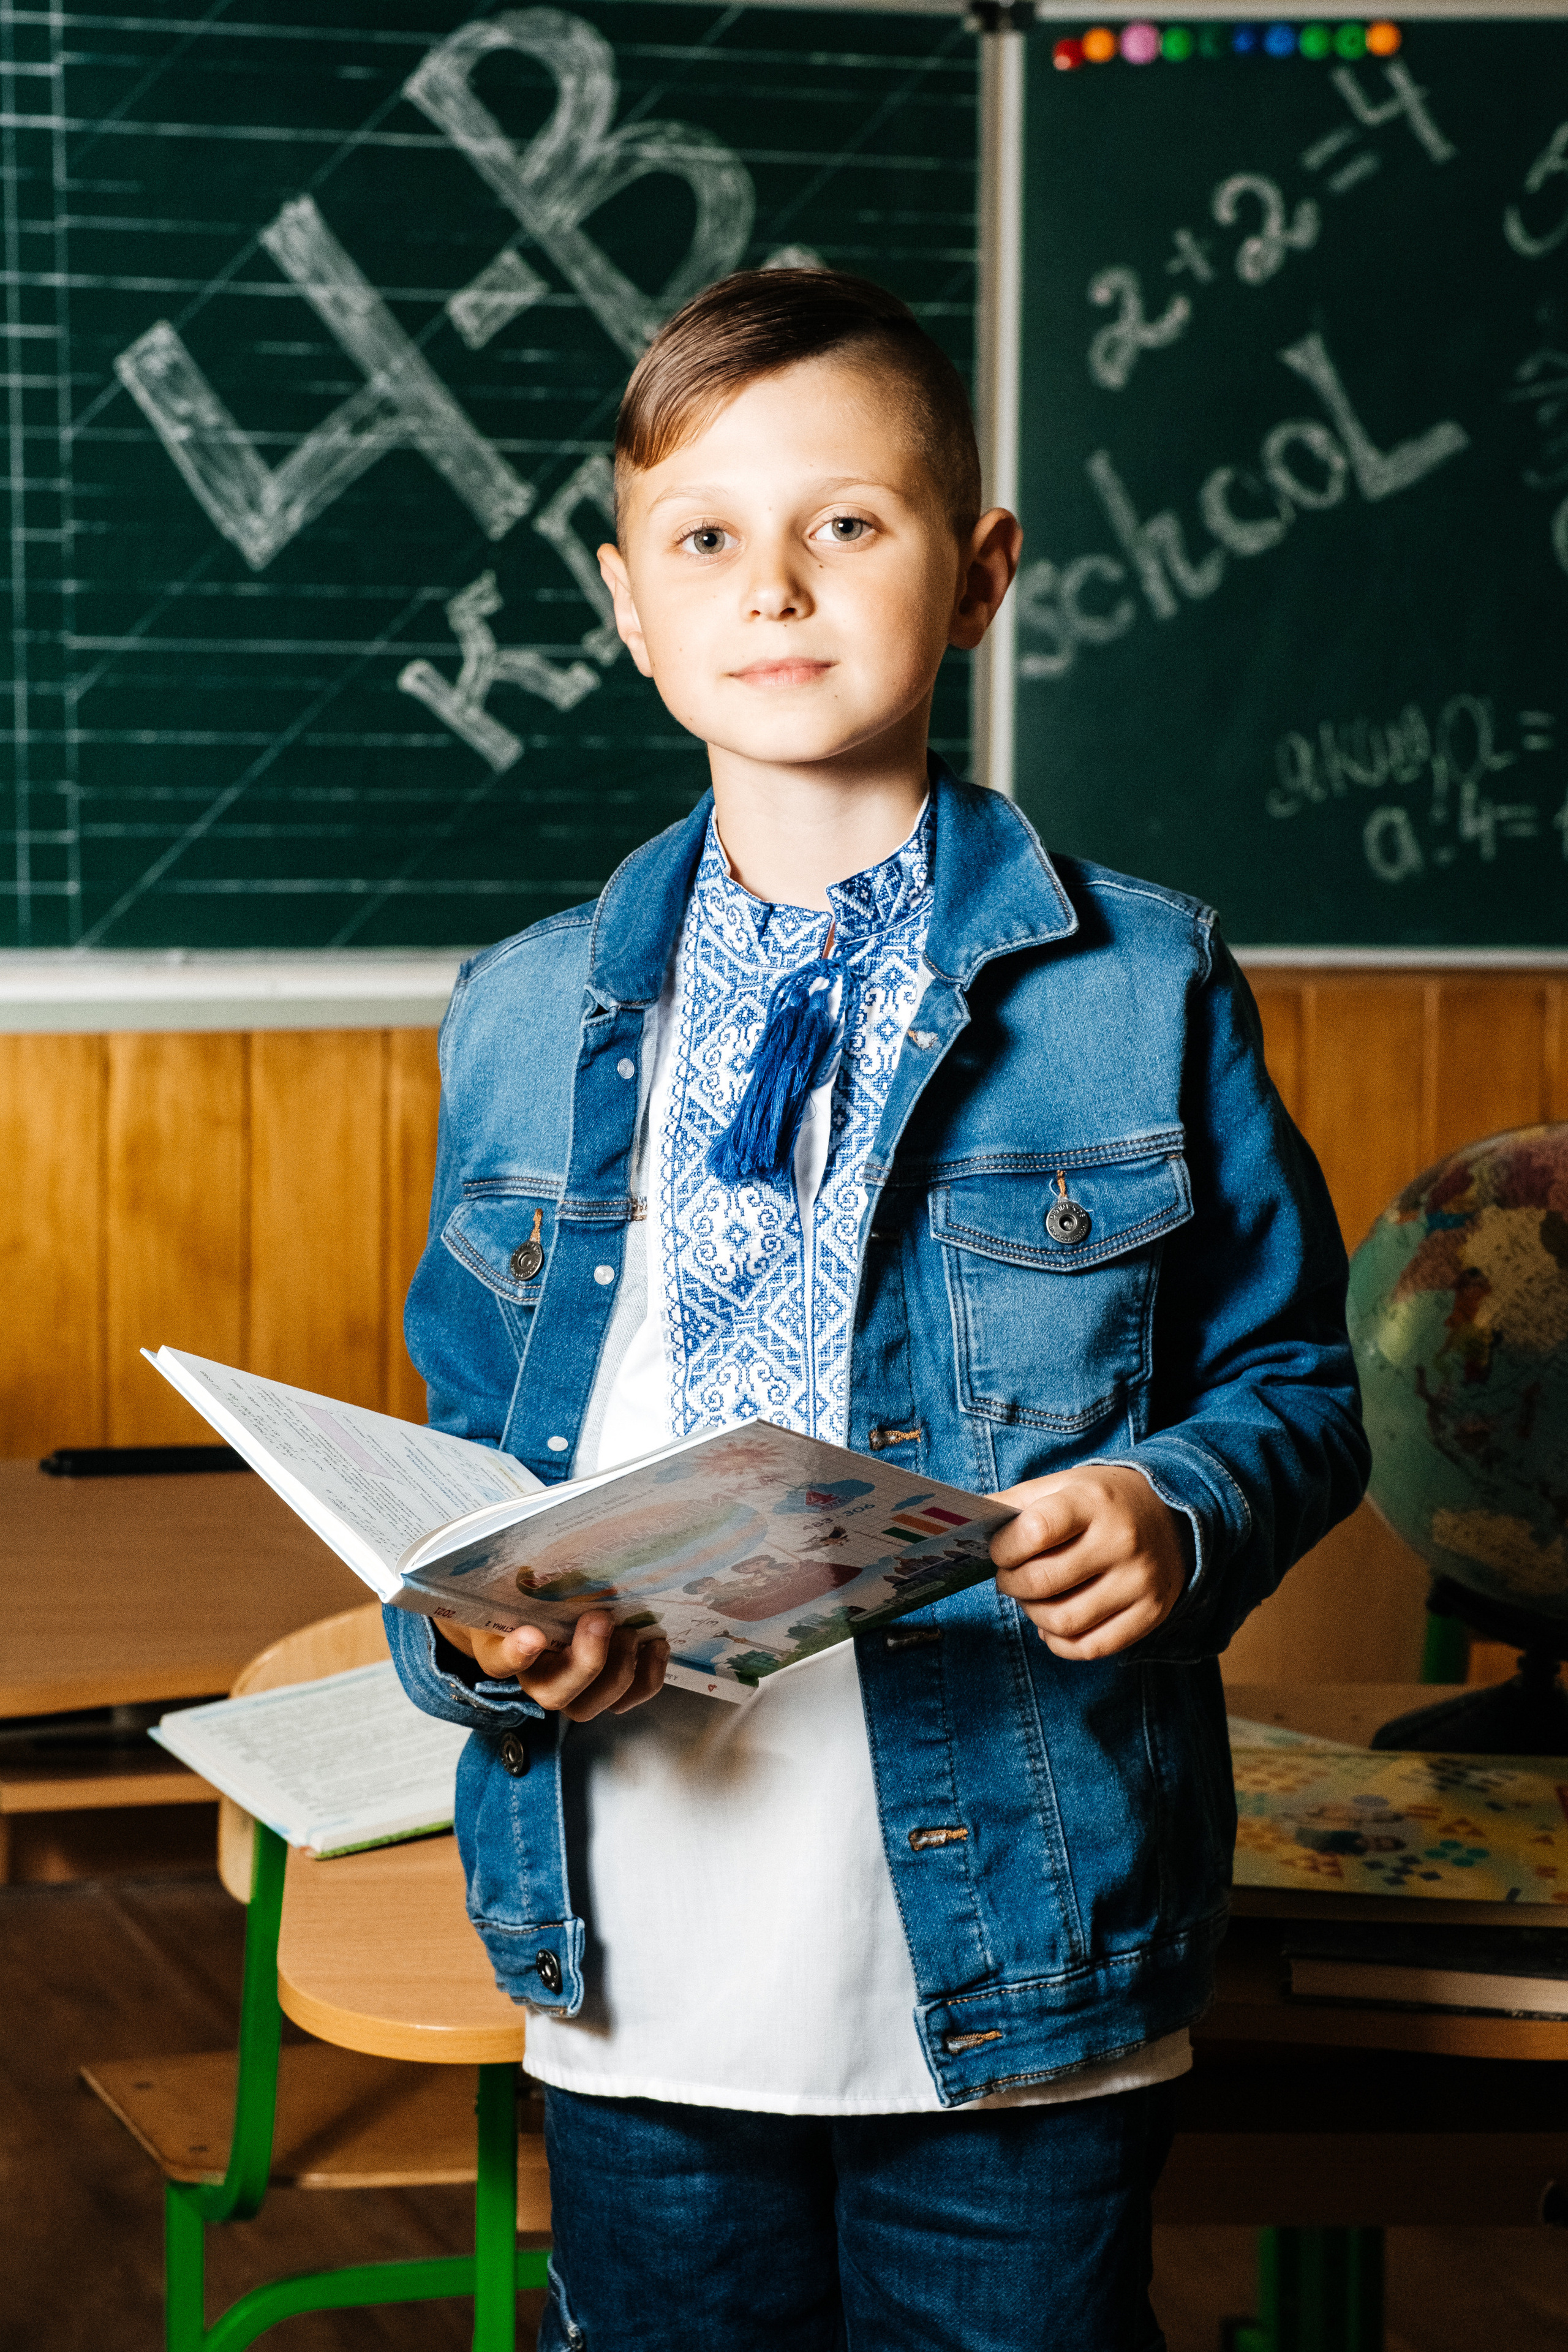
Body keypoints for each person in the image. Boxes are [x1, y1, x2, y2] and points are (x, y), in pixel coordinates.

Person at [386, 269, 1369, 2352]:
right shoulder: (521, 1011)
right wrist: (477, 1632)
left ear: (981, 572)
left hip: (1021, 1927)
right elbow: (463, 1475)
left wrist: (1178, 1507)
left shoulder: (1139, 989)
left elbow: (1294, 1380)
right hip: (637, 1948)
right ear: (627, 605)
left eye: (848, 523)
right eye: (704, 539)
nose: (774, 587)